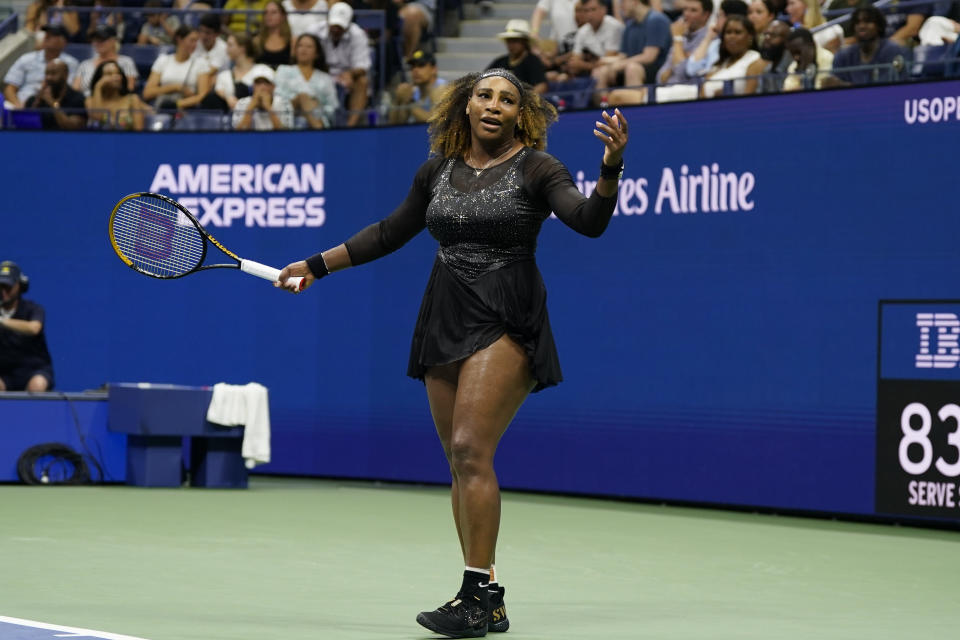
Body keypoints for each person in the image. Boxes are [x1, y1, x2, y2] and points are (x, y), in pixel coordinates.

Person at [274, 68, 629, 639]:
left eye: (507, 100)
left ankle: (472, 596)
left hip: (507, 315)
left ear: (521, 115)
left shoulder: (539, 168)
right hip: (444, 312)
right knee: (460, 462)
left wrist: (610, 168)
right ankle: (487, 594)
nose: (494, 105)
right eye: (484, 96)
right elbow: (389, 233)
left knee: (469, 446)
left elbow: (589, 222)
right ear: (466, 106)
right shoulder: (436, 170)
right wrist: (315, 266)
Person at [309, 2, 371, 127]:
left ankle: (349, 127)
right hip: (320, 73)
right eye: (333, 25)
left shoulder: (358, 35)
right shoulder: (314, 31)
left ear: (348, 25)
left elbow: (362, 66)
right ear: (328, 20)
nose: (336, 29)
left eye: (340, 27)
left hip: (348, 76)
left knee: (363, 82)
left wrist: (350, 74)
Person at [592, 0, 671, 91]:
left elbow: (649, 57)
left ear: (635, 1)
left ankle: (635, 101)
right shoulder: (630, 25)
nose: (621, 7)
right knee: (599, 72)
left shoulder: (656, 19)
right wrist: (605, 62)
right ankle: (605, 104)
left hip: (658, 69)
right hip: (634, 65)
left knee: (632, 69)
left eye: (623, 2)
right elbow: (623, 56)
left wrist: (620, 65)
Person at [0, 261, 54, 393]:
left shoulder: (33, 309)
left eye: (8, 287)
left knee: (37, 385)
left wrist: (2, 321)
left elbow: (34, 328)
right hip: (4, 373)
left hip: (34, 370)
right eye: (0, 286)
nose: (3, 292)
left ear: (19, 286)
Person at [3, 25, 78, 110]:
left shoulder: (71, 63)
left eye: (53, 35)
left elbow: (69, 90)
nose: (46, 37)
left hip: (54, 107)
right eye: (46, 34)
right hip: (22, 105)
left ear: (64, 41)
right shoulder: (27, 58)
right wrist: (19, 107)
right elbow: (10, 88)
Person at [829, 6, 908, 86]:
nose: (862, 26)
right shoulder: (843, 56)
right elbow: (833, 86)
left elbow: (889, 87)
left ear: (879, 26)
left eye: (867, 21)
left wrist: (847, 86)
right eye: (857, 22)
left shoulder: (892, 50)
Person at [275, 33, 338, 128]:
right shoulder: (283, 70)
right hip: (289, 117)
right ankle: (320, 135)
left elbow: (333, 107)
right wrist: (299, 101)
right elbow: (278, 100)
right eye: (300, 46)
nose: (304, 49)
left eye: (309, 46)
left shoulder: (325, 78)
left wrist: (315, 107)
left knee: (307, 101)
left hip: (318, 116)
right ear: (295, 50)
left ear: (317, 54)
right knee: (303, 97)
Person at [143, 25, 213, 110]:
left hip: (187, 109)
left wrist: (177, 104)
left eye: (196, 41)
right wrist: (176, 87)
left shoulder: (201, 63)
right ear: (179, 39)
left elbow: (203, 96)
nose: (195, 45)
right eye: (192, 40)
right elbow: (147, 93)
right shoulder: (163, 60)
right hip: (161, 106)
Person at [701, 14, 765, 97]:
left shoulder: (755, 60)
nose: (732, 36)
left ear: (750, 37)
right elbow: (702, 91)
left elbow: (750, 99)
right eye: (728, 32)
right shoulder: (718, 64)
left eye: (737, 32)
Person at [73, 25, 139, 96]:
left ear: (114, 40)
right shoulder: (84, 64)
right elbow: (75, 91)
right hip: (88, 103)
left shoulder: (126, 62)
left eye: (102, 39)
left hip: (116, 102)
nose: (97, 43)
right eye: (94, 40)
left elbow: (129, 88)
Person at [487, 20, 549, 93]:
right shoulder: (499, 61)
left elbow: (542, 86)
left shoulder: (533, 61)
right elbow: (484, 78)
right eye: (509, 41)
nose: (511, 45)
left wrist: (526, 100)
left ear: (524, 42)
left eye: (515, 41)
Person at [567, 0, 625, 78]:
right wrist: (583, 65)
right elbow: (574, 64)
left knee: (600, 72)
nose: (589, 14)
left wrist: (583, 65)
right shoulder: (582, 31)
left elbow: (607, 61)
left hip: (616, 72)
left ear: (604, 10)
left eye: (593, 9)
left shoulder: (614, 26)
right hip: (591, 72)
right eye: (586, 11)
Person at [86, 59, 151, 130]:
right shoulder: (90, 101)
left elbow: (138, 130)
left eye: (118, 73)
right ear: (100, 78)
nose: (115, 77)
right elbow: (97, 116)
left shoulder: (133, 100)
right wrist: (98, 87)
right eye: (109, 74)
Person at [209, 32, 267, 110]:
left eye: (230, 45)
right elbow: (219, 90)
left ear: (242, 48)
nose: (226, 49)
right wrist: (228, 97)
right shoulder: (224, 75)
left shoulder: (262, 70)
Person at [387, 48, 446, 124]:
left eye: (421, 65)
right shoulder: (413, 91)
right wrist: (398, 100)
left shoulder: (441, 88)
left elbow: (433, 122)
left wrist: (409, 102)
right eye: (412, 67)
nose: (415, 70)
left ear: (434, 69)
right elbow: (396, 123)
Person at [23, 59, 86, 129]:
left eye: (53, 73)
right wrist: (37, 100)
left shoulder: (77, 99)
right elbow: (25, 126)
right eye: (47, 73)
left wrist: (53, 103)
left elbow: (73, 127)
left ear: (65, 75)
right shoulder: (34, 100)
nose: (48, 77)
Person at [255, 1, 294, 68]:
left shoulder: (293, 41)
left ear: (283, 16)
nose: (269, 15)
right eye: (266, 12)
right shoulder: (256, 41)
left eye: (274, 12)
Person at [757, 18, 791, 92]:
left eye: (774, 35)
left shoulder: (792, 67)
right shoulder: (766, 71)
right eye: (766, 34)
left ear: (787, 41)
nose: (767, 38)